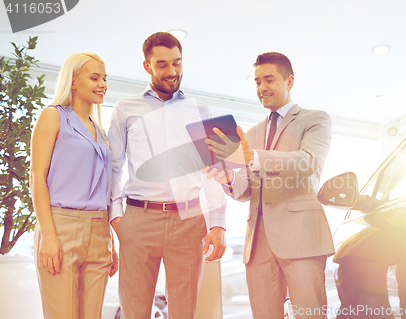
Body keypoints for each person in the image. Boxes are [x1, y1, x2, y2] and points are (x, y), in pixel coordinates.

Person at [204, 52, 334, 319]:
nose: (261, 88)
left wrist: (253, 157)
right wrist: (228, 178)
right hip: (258, 243)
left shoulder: (315, 119)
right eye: (257, 82)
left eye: (268, 80)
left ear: (290, 80)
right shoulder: (251, 134)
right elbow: (246, 191)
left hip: (301, 238)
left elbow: (308, 162)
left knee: (310, 315)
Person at [107, 32, 227, 319]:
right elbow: (113, 166)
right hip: (138, 219)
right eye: (162, 64)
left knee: (184, 311)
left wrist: (218, 224)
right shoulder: (125, 108)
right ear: (147, 66)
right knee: (135, 310)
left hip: (189, 221)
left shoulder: (201, 110)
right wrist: (116, 217)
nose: (172, 72)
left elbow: (216, 170)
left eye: (177, 63)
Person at [30, 52, 116, 319]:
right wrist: (49, 235)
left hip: (99, 229)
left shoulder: (100, 131)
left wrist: (110, 240)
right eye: (94, 77)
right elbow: (37, 178)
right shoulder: (53, 116)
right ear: (73, 80)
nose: (102, 84)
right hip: (61, 226)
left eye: (104, 78)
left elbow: (105, 188)